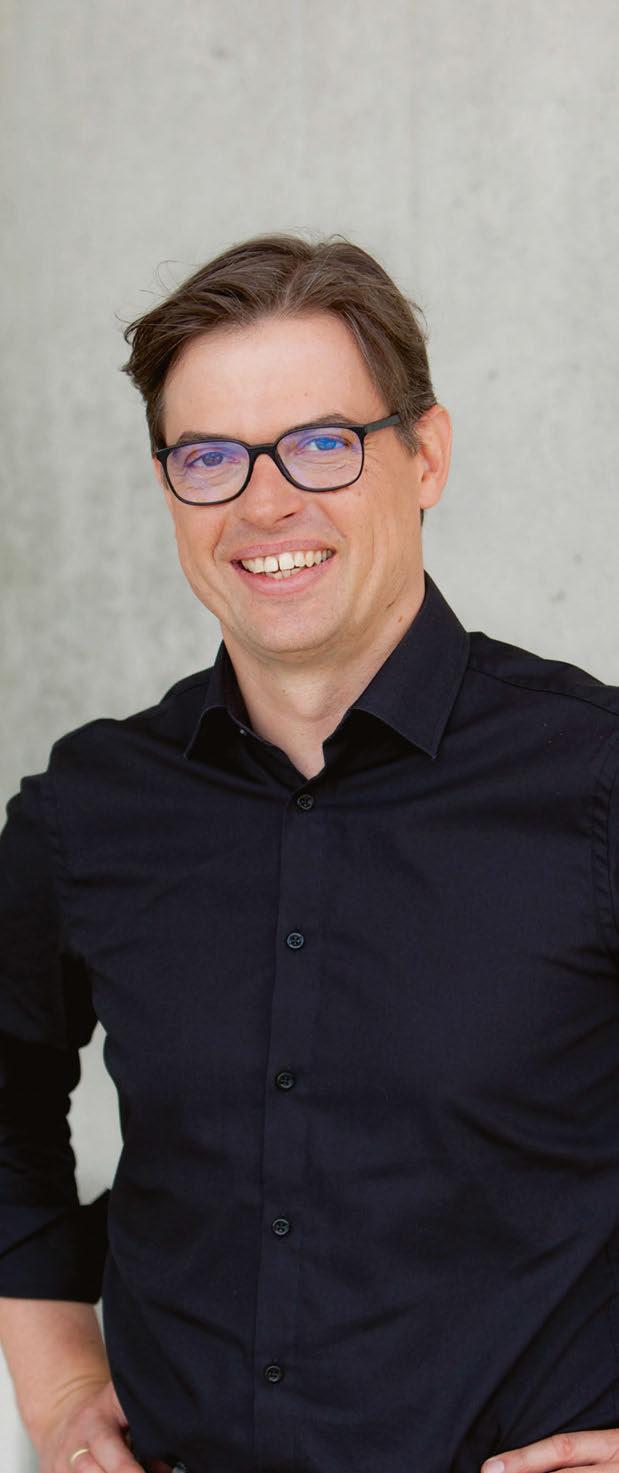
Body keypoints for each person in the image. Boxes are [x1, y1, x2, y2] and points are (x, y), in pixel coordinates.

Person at [1, 234, 618, 1473]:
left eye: (321, 444)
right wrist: (59, 1383)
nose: (265, 504)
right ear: (169, 487)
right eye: (209, 458)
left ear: (424, 454)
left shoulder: (594, 779)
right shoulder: (90, 810)